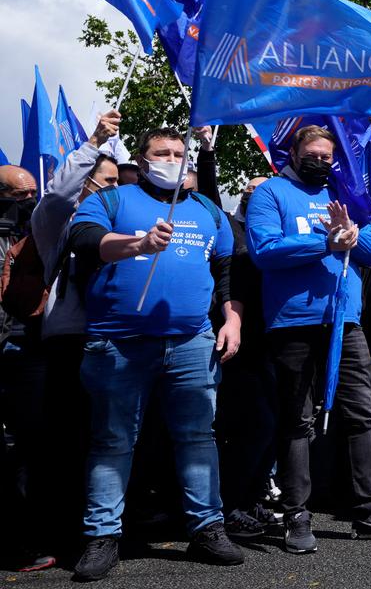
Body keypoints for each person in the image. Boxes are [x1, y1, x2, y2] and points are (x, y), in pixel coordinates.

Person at [68, 128, 243, 580]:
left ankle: (207, 527)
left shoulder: (208, 210)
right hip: (118, 345)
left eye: (179, 153)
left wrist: (232, 318)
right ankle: (102, 536)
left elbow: (226, 269)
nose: (172, 159)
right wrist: (138, 245)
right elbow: (85, 240)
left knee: (198, 439)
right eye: (161, 153)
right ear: (142, 162)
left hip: (192, 344)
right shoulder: (113, 201)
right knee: (112, 442)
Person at [246, 125, 371, 553]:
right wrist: (326, 241)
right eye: (312, 153)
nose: (320, 160)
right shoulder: (272, 193)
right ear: (294, 152)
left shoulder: (348, 195)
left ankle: (367, 509)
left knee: (361, 415)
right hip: (292, 323)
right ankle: (297, 514)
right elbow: (265, 250)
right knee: (296, 420)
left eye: (327, 155)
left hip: (345, 323)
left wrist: (353, 237)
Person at [25, 112, 121, 566]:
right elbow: (59, 192)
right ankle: (47, 536)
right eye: (104, 181)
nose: (113, 189)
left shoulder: (125, 225)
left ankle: (102, 531)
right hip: (68, 343)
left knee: (107, 441)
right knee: (58, 442)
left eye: (119, 182)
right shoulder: (56, 224)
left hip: (120, 343)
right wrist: (95, 142)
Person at [194, 127, 278, 540]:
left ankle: (250, 501)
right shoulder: (229, 227)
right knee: (248, 425)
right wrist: (208, 152)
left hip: (275, 341)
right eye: (247, 189)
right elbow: (209, 198)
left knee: (274, 426)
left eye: (261, 188)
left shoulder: (279, 235)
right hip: (233, 341)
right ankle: (228, 506)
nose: (252, 193)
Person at [0, 163, 51, 571]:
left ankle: (21, 539)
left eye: (32, 194)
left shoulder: (38, 233)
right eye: (18, 196)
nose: (27, 202)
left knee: (27, 446)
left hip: (28, 345)